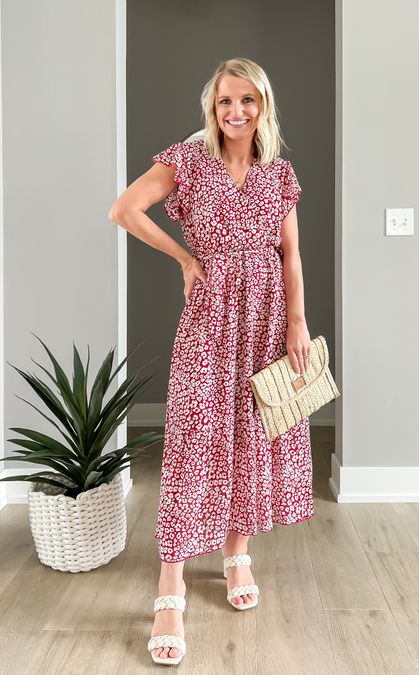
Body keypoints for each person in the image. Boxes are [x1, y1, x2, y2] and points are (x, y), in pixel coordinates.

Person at [108, 57, 314, 666]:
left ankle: (235, 553)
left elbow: (292, 256)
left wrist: (298, 324)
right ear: (212, 107)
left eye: (247, 101)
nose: (236, 112)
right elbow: (125, 209)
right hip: (211, 319)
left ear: (263, 106)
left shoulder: (279, 173)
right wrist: (184, 258)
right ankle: (170, 588)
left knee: (249, 436)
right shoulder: (188, 160)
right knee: (194, 441)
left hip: (268, 320)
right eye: (226, 102)